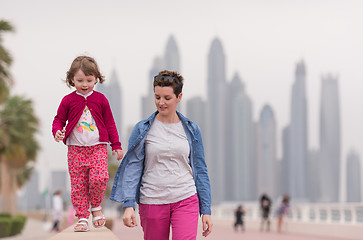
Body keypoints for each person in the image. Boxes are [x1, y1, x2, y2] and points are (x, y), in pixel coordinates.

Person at [110, 70, 213, 240]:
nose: (161, 102)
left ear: (179, 97)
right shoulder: (142, 129)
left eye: (167, 98)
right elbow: (133, 168)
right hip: (152, 200)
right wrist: (129, 205)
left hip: (186, 198)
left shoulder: (192, 129)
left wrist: (206, 210)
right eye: (157, 97)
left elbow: (201, 169)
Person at [52, 55, 124, 232]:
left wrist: (116, 144)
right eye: (80, 80)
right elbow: (58, 119)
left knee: (100, 178)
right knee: (78, 184)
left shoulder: (101, 99)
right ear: (72, 80)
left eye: (89, 80)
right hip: (75, 150)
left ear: (96, 79)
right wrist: (57, 131)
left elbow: (110, 123)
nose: (85, 84)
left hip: (98, 148)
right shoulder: (68, 100)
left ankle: (96, 207)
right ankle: (83, 217)